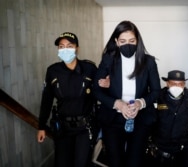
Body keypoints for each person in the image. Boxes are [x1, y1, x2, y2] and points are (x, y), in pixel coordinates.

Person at [93, 20, 161, 167]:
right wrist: (117, 104)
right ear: (116, 41)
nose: (127, 44)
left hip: (140, 120)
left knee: (135, 162)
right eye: (123, 41)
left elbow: (156, 92)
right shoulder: (108, 59)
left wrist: (140, 103)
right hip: (112, 120)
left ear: (137, 41)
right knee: (115, 161)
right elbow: (96, 90)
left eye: (132, 40)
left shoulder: (148, 62)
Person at [37, 32, 98, 167]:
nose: (65, 49)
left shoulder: (89, 68)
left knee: (81, 163)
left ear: (77, 48)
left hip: (84, 127)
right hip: (63, 128)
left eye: (69, 46)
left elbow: (99, 94)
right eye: (61, 46)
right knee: (62, 163)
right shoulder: (53, 71)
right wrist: (41, 126)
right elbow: (46, 100)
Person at [151, 70, 188, 167]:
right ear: (167, 84)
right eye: (173, 84)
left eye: (180, 84)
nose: (177, 87)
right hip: (162, 146)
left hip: (184, 145)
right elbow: (150, 120)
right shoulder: (158, 97)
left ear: (184, 85)